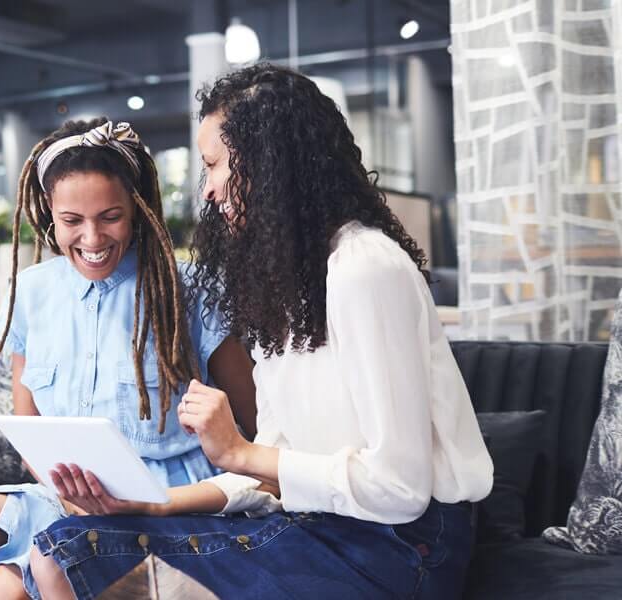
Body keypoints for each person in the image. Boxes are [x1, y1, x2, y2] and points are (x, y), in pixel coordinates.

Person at [28, 64, 494, 600]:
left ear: (269, 162)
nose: (208, 190)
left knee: (74, 557)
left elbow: (399, 490)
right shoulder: (284, 283)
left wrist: (237, 451)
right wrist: (152, 502)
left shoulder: (364, 267)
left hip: (405, 546)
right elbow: (275, 472)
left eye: (215, 165)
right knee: (60, 546)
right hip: (321, 524)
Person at [0, 118, 256, 600]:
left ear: (136, 208)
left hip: (168, 502)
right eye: (72, 220)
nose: (91, 239)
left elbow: (254, 428)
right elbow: (27, 424)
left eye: (109, 216)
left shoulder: (190, 289)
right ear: (50, 212)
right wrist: (68, 489)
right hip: (67, 496)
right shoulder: (30, 291)